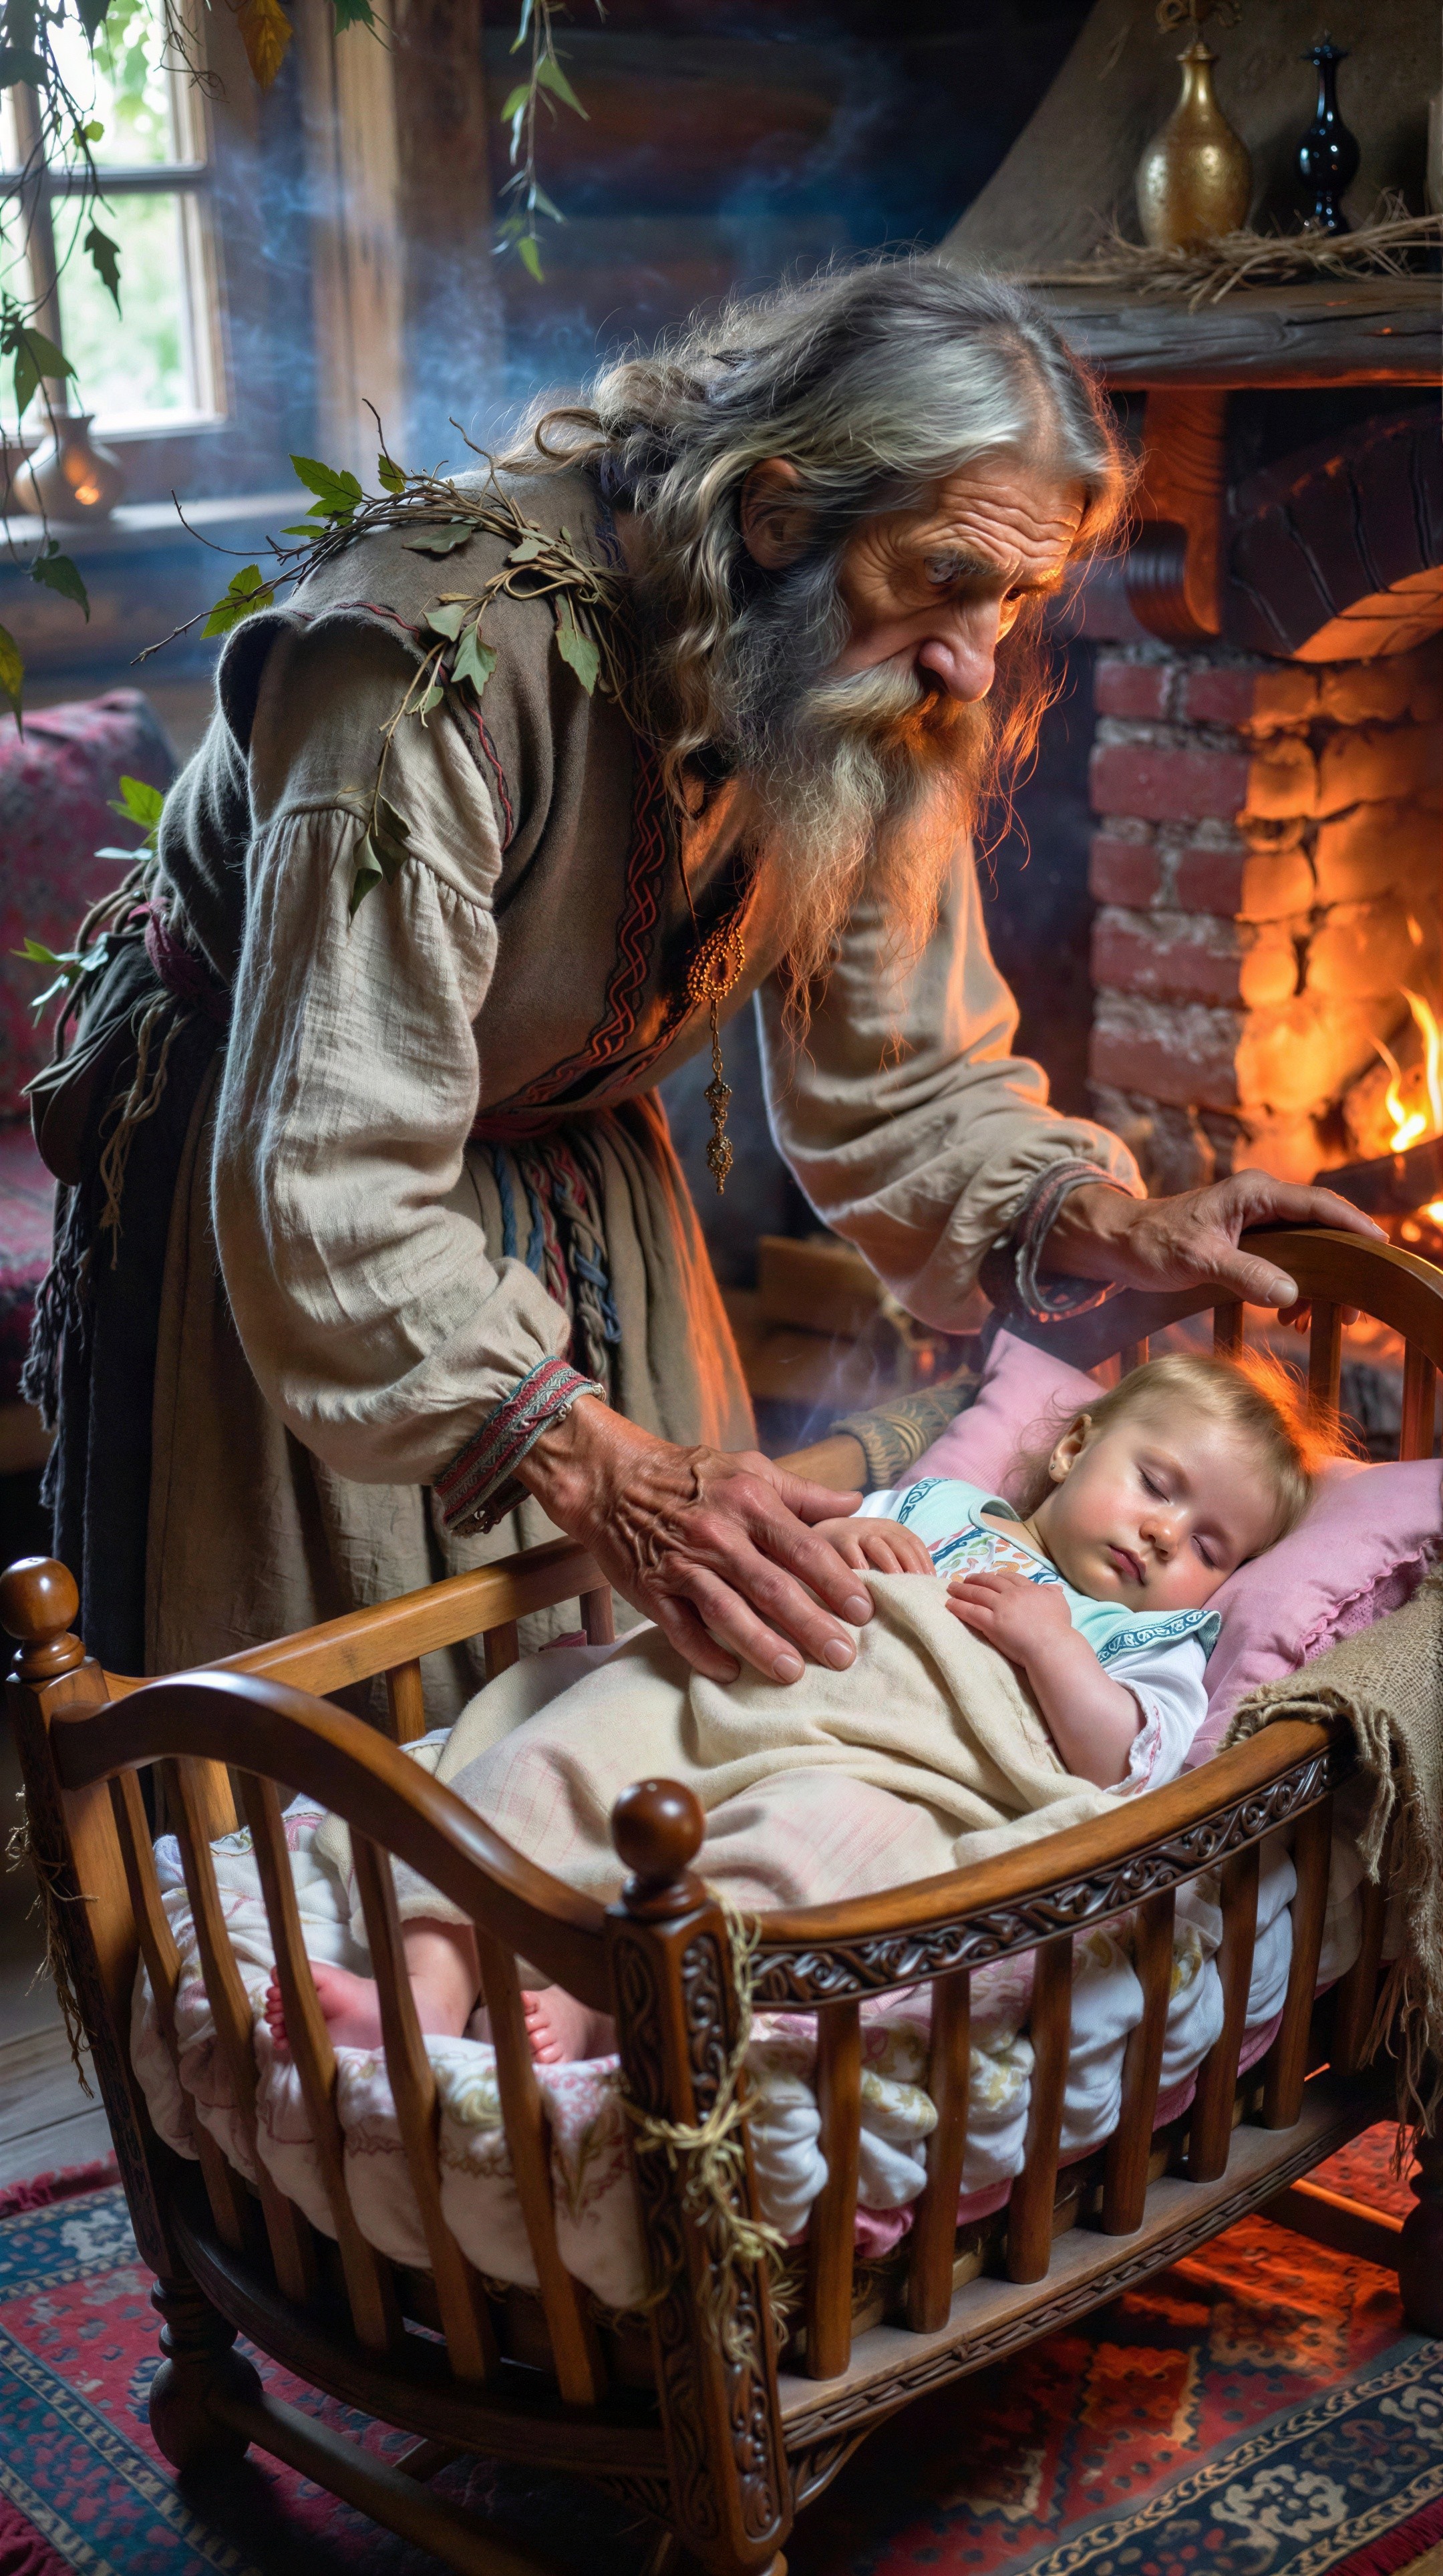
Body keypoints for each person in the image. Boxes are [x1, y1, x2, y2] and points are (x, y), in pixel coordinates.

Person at [26, 259, 1380, 1699]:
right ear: (778, 508)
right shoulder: (420, 663)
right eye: (944, 579)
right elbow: (334, 1181)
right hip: (302, 1213)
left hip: (578, 1166)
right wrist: (601, 1460)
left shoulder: (873, 678)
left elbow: (907, 1077)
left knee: (652, 1713)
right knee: (346, 1771)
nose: (977, 662)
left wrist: (1114, 1218)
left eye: (1017, 598)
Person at [267, 1351, 1329, 2066]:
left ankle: (605, 2009)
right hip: (745, 1698)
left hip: (906, 1774)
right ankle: (423, 1988)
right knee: (559, 1751)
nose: (1162, 1537)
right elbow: (768, 1576)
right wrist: (841, 1545)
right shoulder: (943, 1506)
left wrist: (1056, 1653)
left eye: (1209, 1548)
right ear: (1071, 1449)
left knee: (815, 1852)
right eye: (1156, 1485)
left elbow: (1117, 1770)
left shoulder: (1150, 1640)